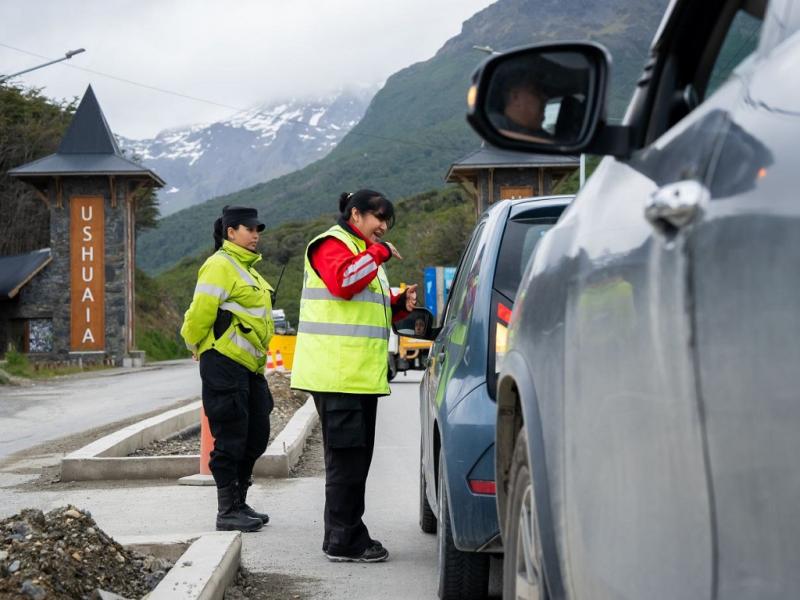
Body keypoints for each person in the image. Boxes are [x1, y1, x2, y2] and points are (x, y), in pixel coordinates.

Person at [291, 189, 417, 563]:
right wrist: (377, 253)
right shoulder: (332, 244)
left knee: (354, 462)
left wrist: (395, 305)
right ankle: (344, 540)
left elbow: (362, 311)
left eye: (387, 222)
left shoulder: (361, 253)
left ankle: (344, 535)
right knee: (346, 463)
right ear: (356, 214)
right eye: (379, 218)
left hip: (355, 378)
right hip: (338, 376)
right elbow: (343, 283)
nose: (383, 227)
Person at [180, 205, 275, 533]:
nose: (256, 235)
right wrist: (195, 344)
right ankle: (227, 509)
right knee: (232, 435)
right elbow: (199, 312)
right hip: (224, 363)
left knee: (256, 435)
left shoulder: (249, 271)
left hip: (250, 367)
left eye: (257, 229)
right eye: (250, 229)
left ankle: (240, 500)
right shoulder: (219, 265)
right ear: (231, 232)